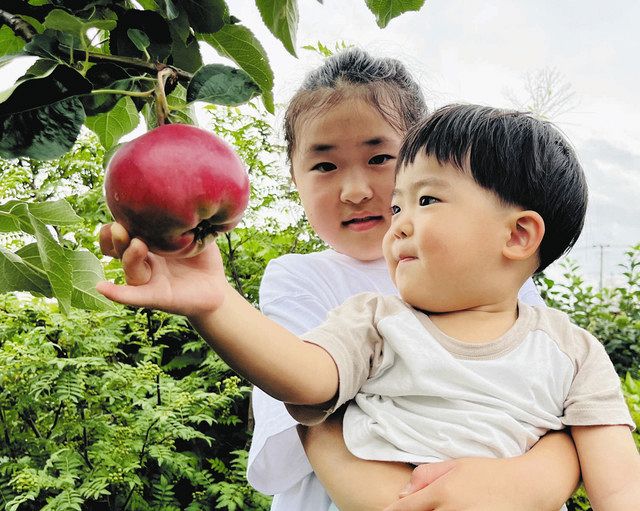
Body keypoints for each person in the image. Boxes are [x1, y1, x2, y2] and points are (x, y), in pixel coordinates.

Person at [97, 49, 580, 510]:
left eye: (380, 158)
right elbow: (310, 407)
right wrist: (216, 302)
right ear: (293, 176)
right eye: (324, 165)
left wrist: (525, 484)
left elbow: (565, 413)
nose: (355, 190)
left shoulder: (496, 274)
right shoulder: (302, 279)